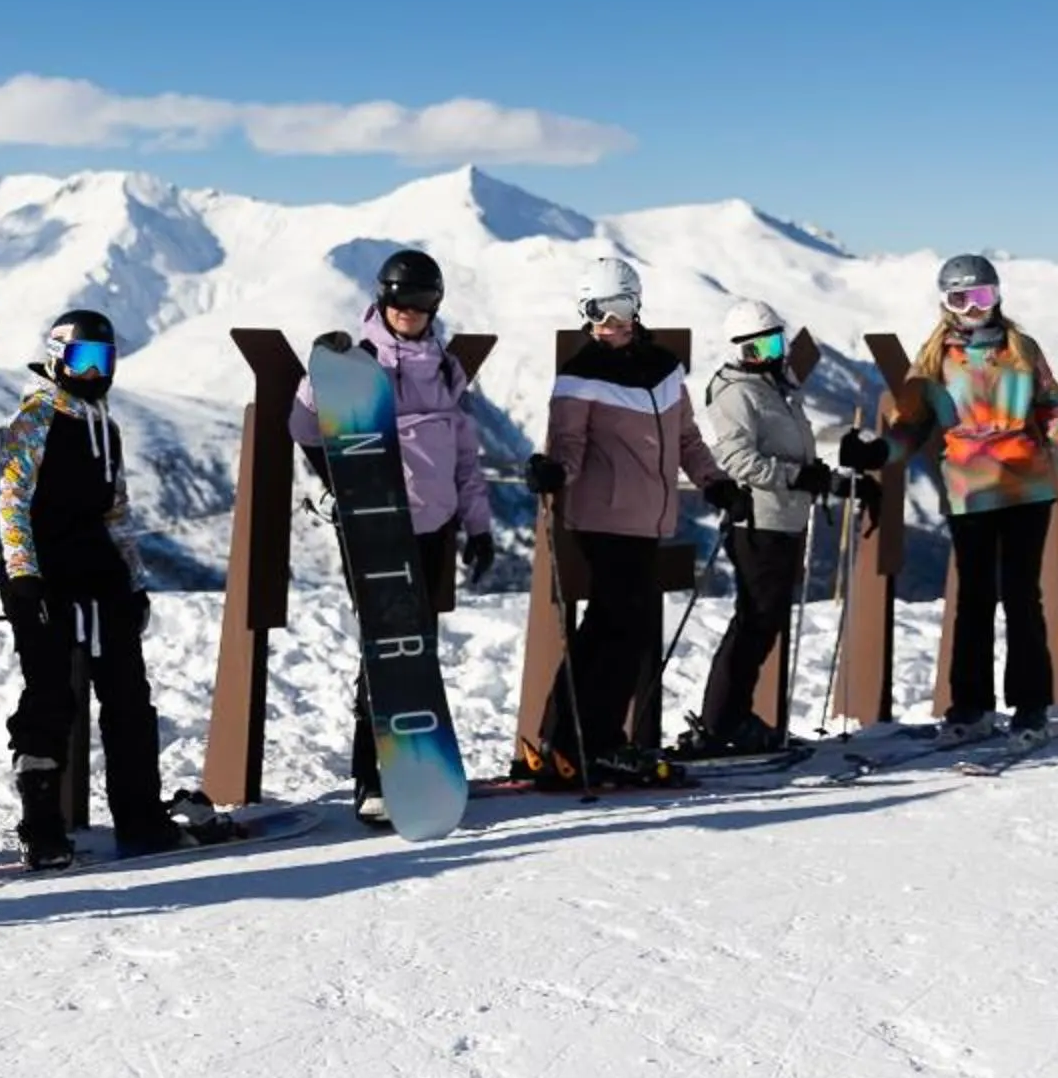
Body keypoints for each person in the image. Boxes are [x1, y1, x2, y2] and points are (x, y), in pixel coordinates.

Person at [837, 253, 1058, 748]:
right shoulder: (936, 359)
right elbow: (912, 425)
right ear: (945, 305)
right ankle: (971, 708)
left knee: (1023, 599)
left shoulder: (1021, 349)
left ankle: (1030, 709)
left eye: (983, 296)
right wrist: (877, 452)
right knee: (974, 601)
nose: (974, 308)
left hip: (1027, 488)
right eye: (961, 299)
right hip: (970, 494)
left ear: (998, 296)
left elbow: (1050, 411)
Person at [0, 309, 209, 869]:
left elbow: (116, 512)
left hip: (101, 577)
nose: (94, 373)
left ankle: (139, 819)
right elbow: (12, 502)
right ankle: (42, 828)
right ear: (57, 357)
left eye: (104, 362)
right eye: (84, 360)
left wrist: (134, 582)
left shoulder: (105, 428)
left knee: (129, 700)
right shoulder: (33, 421)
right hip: (45, 579)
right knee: (50, 698)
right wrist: (23, 576)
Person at [288, 248, 496, 825]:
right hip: (377, 527)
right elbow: (303, 427)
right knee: (386, 649)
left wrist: (478, 527)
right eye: (402, 299)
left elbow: (464, 456)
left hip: (433, 528)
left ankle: (416, 770)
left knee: (417, 652)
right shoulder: (358, 363)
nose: (411, 311)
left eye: (424, 301)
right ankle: (371, 776)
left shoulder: (447, 369)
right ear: (383, 298)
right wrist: (317, 377)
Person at [517, 257, 741, 788]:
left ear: (637, 308)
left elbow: (687, 438)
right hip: (604, 518)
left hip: (651, 519)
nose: (609, 322)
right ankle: (590, 742)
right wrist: (553, 471)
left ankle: (575, 740)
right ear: (584, 315)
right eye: (597, 311)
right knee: (617, 630)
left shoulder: (664, 369)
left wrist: (713, 481)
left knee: (616, 631)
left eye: (619, 308)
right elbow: (568, 447)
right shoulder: (579, 376)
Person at [679, 297, 839, 758]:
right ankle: (721, 720)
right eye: (755, 348)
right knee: (755, 621)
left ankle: (731, 717)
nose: (767, 353)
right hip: (760, 520)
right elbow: (735, 457)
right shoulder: (737, 392)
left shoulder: (775, 386)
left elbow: (788, 445)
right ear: (736, 352)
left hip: (785, 517)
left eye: (774, 342)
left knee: (764, 622)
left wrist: (816, 474)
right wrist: (794, 476)